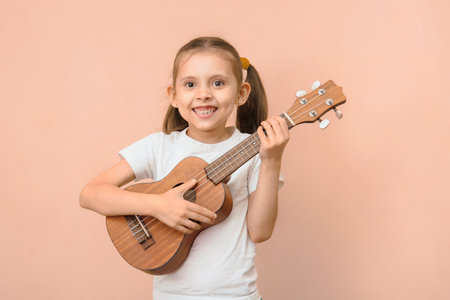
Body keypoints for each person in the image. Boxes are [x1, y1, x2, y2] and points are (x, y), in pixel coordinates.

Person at [79, 36, 290, 300]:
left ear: (241, 94)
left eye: (218, 83)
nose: (204, 94)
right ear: (174, 96)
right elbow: (90, 194)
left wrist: (271, 161)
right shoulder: (158, 147)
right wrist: (158, 206)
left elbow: (260, 232)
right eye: (190, 84)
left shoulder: (258, 150)